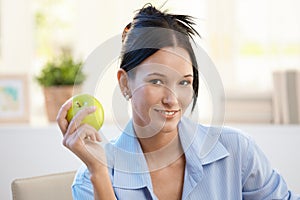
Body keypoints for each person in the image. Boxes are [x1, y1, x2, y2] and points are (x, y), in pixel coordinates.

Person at [57, 4, 299, 200]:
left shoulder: (237, 152)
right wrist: (99, 172)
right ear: (124, 83)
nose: (172, 100)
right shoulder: (93, 179)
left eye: (184, 82)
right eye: (157, 81)